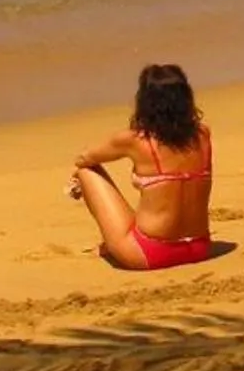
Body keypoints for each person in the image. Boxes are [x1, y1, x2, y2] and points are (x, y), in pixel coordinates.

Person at [69, 63, 215, 270]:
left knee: (86, 172)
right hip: (199, 248)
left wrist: (78, 180)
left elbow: (83, 158)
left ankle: (113, 243)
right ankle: (116, 241)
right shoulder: (203, 134)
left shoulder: (135, 141)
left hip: (150, 254)